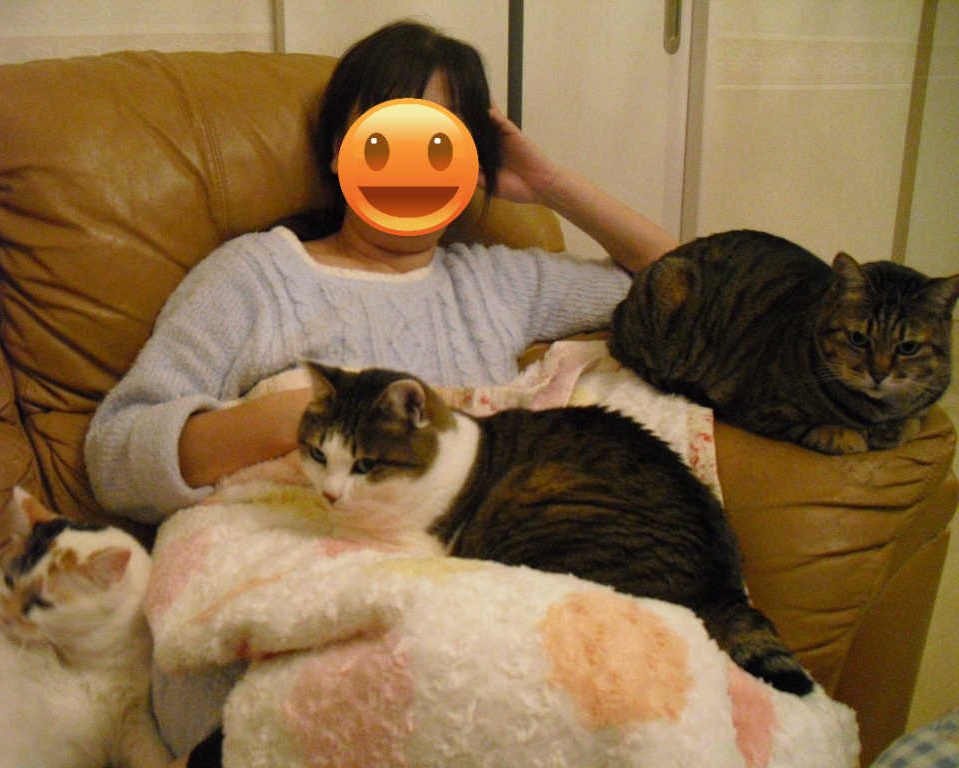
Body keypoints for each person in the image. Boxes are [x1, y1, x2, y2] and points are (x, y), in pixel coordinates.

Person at [83, 18, 678, 766]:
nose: (411, 162)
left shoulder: (497, 283)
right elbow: (116, 453)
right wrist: (285, 419)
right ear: (341, 149)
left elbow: (692, 287)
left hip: (468, 601)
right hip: (287, 597)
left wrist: (553, 188)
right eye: (388, 135)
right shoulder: (255, 278)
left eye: (440, 143)